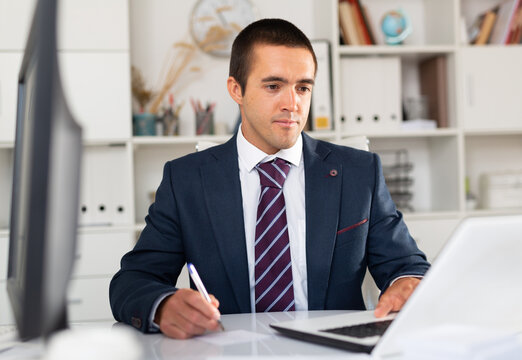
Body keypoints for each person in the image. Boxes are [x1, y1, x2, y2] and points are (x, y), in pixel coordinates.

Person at [110, 18, 430, 340]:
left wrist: (408, 284)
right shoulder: (186, 180)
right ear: (237, 89)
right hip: (227, 351)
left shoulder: (359, 173)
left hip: (333, 351)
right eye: (273, 86)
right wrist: (164, 305)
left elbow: (409, 266)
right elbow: (133, 281)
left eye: (303, 87)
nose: (292, 104)